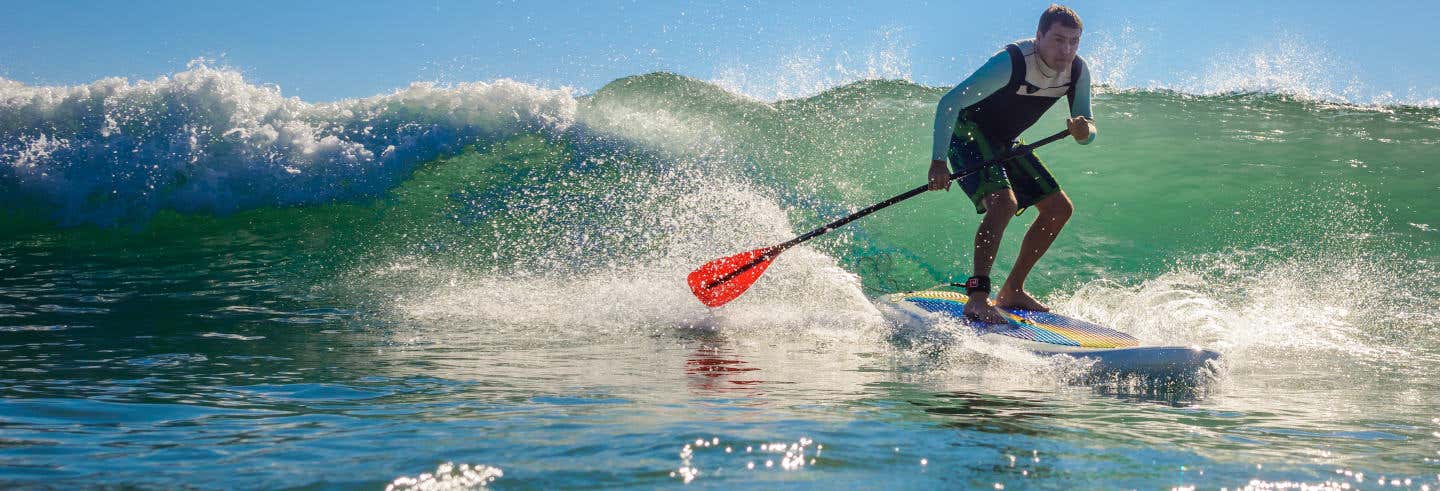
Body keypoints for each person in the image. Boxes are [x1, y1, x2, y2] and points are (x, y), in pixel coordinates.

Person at [927, 4, 1097, 323]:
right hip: (968, 133)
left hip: (1005, 142)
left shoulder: (1077, 71)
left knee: (1059, 209)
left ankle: (1013, 289)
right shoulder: (1013, 61)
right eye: (1059, 39)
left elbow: (1088, 130)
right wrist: (938, 161)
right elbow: (949, 102)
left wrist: (1083, 130)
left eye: (1074, 41)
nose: (1067, 49)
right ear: (1039, 36)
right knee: (1003, 204)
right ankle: (977, 297)